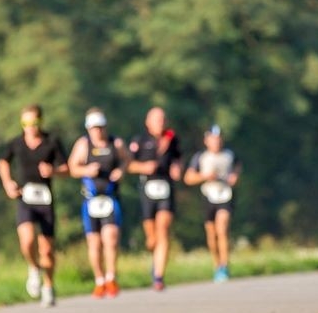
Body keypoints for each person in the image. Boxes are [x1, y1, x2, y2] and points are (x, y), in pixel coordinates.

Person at [0, 105, 68, 307]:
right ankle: (34, 268)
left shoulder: (52, 142)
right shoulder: (16, 143)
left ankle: (48, 286)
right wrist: (8, 183)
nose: (30, 128)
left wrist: (53, 171)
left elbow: (66, 168)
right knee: (27, 240)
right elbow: (3, 162)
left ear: (41, 122)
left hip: (45, 199)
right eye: (25, 124)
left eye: (33, 123)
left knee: (47, 250)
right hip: (25, 197)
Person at [67, 108, 127, 298]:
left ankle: (111, 278)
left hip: (110, 198)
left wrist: (121, 171)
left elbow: (127, 161)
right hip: (90, 201)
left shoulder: (115, 143)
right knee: (94, 243)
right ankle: (99, 280)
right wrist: (86, 170)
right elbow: (72, 168)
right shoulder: (83, 145)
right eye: (94, 128)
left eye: (100, 127)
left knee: (111, 238)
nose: (98, 131)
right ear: (88, 129)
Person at [127, 106, 182, 291]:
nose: (161, 122)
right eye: (157, 119)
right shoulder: (140, 140)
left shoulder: (172, 139)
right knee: (152, 238)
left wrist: (176, 168)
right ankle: (153, 251)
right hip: (148, 187)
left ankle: (159, 276)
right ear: (148, 122)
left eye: (163, 119)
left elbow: (178, 159)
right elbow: (128, 165)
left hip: (166, 186)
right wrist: (143, 167)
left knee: (163, 229)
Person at [183, 125, 243, 282]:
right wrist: (204, 176)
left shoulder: (230, 155)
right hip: (209, 196)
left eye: (219, 139)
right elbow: (188, 178)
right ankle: (216, 265)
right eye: (213, 139)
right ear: (206, 141)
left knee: (222, 229)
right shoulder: (200, 157)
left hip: (225, 195)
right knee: (212, 233)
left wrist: (235, 176)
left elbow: (237, 167)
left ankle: (225, 266)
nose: (216, 142)